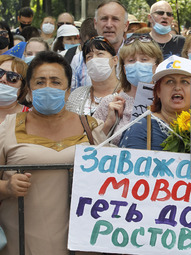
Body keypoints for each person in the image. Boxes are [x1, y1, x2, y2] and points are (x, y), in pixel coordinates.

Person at [0, 51, 112, 255]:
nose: (47, 87)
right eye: (40, 82)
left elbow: (118, 180)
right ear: (30, 91)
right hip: (21, 245)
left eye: (55, 81)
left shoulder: (91, 127)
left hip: (80, 246)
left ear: (68, 91)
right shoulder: (8, 128)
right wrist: (7, 187)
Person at [119, 55, 191, 150]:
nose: (177, 87)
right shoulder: (139, 128)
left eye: (185, 82)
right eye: (170, 82)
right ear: (158, 91)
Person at [94, 34, 163, 145]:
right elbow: (88, 146)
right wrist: (108, 123)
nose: (137, 64)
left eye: (144, 59)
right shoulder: (110, 102)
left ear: (157, 66)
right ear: (124, 69)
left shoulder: (167, 102)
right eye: (131, 60)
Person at [66, 36, 120, 116]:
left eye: (100, 54)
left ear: (115, 60)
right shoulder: (76, 96)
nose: (94, 59)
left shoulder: (128, 94)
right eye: (89, 57)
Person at [70, 18, 98, 91]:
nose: (92, 50)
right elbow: (73, 89)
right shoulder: (77, 60)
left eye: (97, 44)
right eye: (88, 45)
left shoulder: (112, 56)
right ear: (80, 40)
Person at [0, 55, 29, 123]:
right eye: (0, 72)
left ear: (22, 87)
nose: (3, 79)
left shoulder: (30, 118)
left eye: (12, 77)